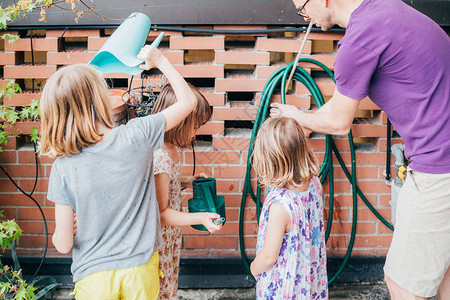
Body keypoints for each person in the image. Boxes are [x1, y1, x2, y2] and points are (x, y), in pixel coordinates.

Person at [271, 0, 450, 299]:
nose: (304, 18)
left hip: (438, 167)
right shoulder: (385, 10)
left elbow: (340, 122)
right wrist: (312, 121)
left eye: (302, 8)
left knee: (402, 283)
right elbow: (345, 98)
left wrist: (294, 115)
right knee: (443, 272)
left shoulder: (359, 39)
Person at [42, 45, 198, 299]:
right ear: (101, 99)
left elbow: (63, 245)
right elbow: (188, 101)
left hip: (94, 278)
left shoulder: (63, 167)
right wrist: (160, 60)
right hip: (140, 270)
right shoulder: (138, 134)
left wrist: (65, 231)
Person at [151, 83, 222, 299]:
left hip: (170, 239)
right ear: (178, 122)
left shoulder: (169, 147)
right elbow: (161, 214)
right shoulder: (160, 156)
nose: (196, 133)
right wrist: (199, 217)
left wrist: (187, 180)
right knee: (161, 289)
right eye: (194, 126)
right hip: (159, 242)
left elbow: (167, 182)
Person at [250, 117, 328, 299]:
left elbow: (269, 256)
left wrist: (254, 268)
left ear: (270, 161)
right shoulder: (315, 184)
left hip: (285, 286)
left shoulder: (280, 206)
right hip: (309, 278)